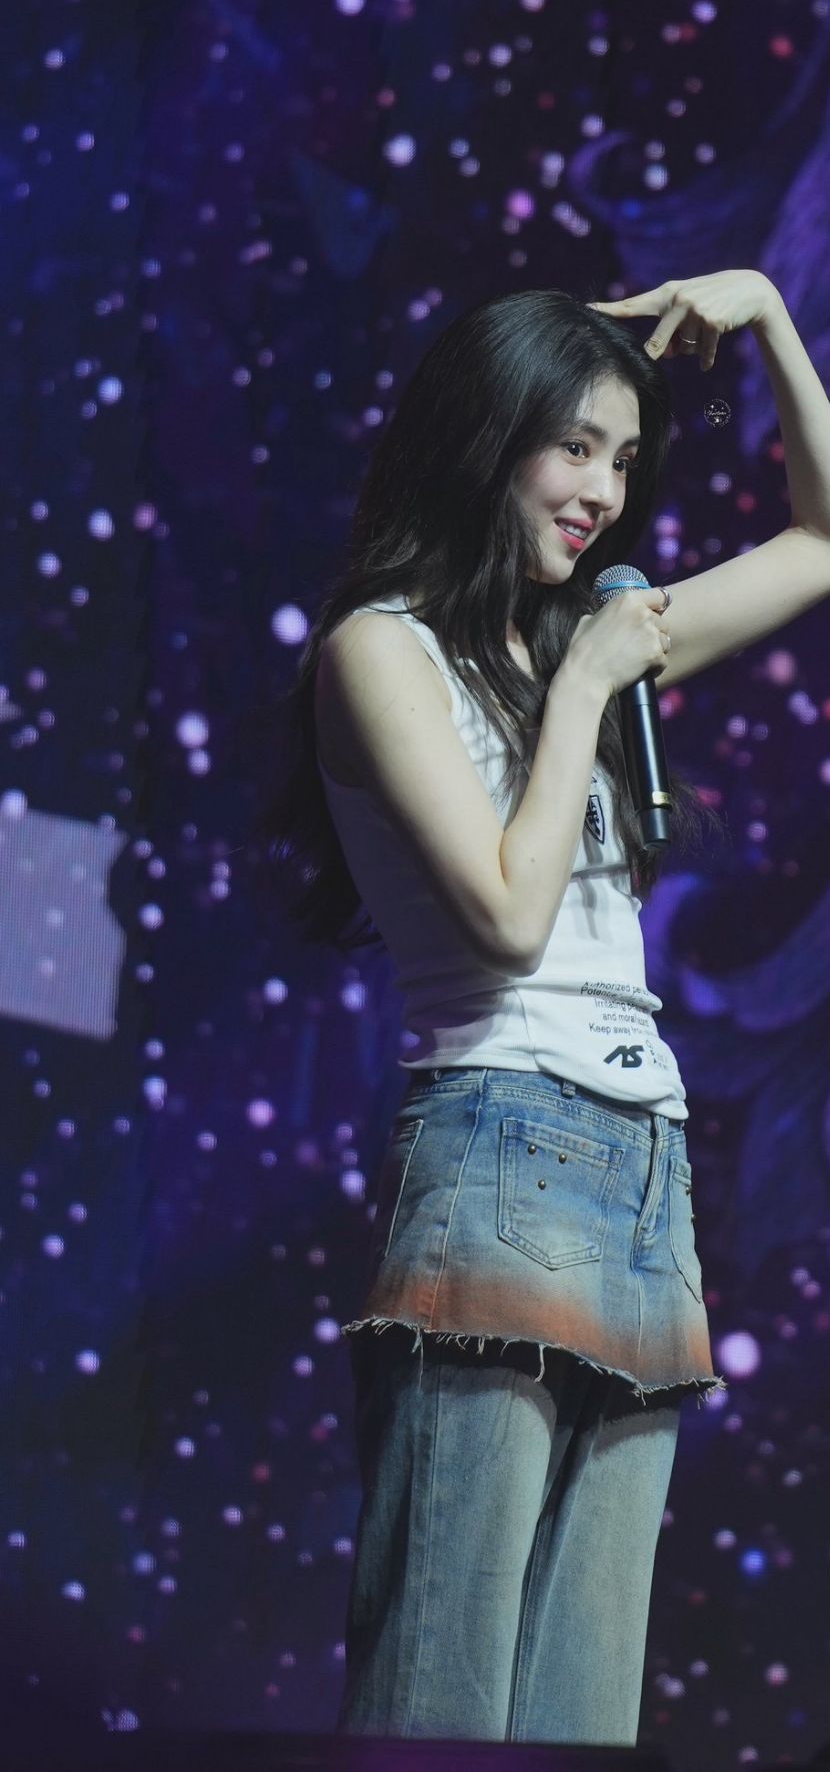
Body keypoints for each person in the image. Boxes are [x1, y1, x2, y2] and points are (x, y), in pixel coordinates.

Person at [258, 287, 734, 1746]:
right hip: (502, 1139)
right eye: (574, 447)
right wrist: (587, 678)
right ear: (489, 436)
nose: (604, 492)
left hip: (645, 1161)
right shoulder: (382, 646)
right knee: (444, 1692)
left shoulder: (562, 649)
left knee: (587, 1711)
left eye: (625, 461)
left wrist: (769, 314)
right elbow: (510, 916)